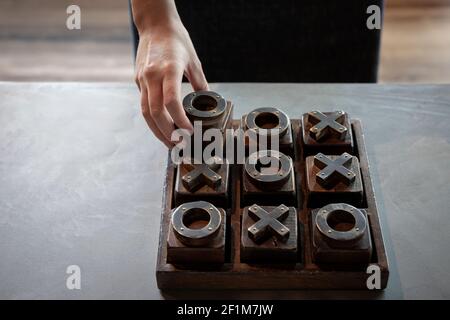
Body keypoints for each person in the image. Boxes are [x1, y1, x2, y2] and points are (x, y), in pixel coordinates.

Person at [130, 0, 383, 148]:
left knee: (335, 137)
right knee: (207, 146)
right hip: (197, 14)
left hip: (335, 12)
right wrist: (155, 18)